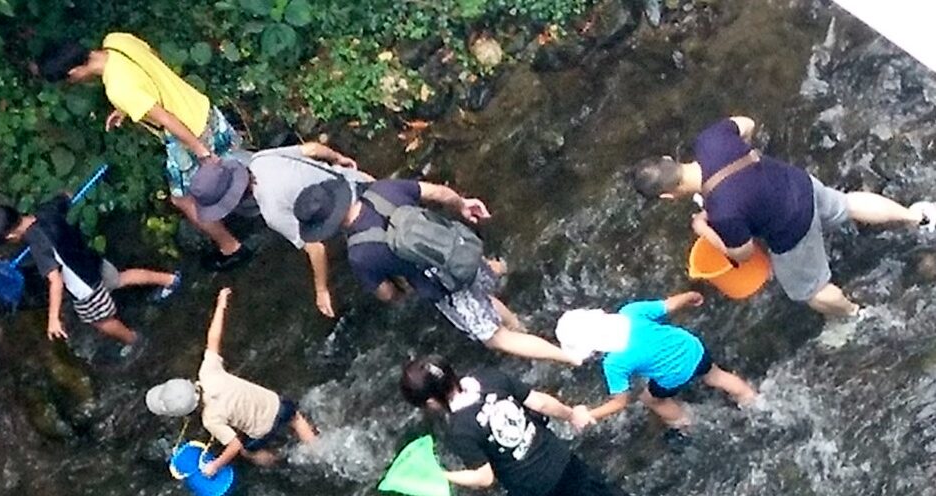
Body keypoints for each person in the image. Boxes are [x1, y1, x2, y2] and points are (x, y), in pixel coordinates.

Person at [631, 115, 936, 318]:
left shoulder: (721, 213)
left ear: (667, 196)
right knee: (847, 204)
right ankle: (917, 217)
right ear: (670, 159)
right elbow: (747, 123)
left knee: (810, 291)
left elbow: (745, 254)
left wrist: (704, 230)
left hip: (792, 230)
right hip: (798, 183)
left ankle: (856, 315)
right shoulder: (709, 139)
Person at [292, 176, 581, 366]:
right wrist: (463, 205)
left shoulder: (360, 254)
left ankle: (567, 356)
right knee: (487, 286)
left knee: (496, 338)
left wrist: (400, 291)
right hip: (461, 249)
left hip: (446, 286)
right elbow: (438, 193)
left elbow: (388, 294)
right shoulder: (383, 189)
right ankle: (520, 318)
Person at [400, 354, 641, 496]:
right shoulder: (488, 377)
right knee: (597, 488)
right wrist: (572, 414)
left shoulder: (459, 430)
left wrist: (442, 475)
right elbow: (542, 404)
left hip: (534, 489)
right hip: (562, 459)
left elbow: (484, 478)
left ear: (431, 402)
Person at [39, 33, 252, 270]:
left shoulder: (118, 88)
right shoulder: (116, 41)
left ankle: (231, 246)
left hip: (188, 134)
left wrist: (200, 151)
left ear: (72, 73)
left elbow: (166, 119)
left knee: (182, 199)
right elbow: (150, 65)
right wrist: (127, 108)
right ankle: (273, 196)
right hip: (199, 107)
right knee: (236, 164)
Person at [145, 287, 315, 476]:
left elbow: (234, 445)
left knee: (247, 451)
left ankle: (282, 464)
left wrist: (215, 466)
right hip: (275, 404)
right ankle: (316, 449)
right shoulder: (208, 371)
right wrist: (220, 306)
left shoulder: (210, 419)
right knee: (295, 418)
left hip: (263, 430)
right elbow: (213, 339)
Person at [186, 143, 369, 317]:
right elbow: (312, 149)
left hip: (356, 220)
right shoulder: (260, 159)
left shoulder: (272, 211)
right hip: (361, 182)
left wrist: (321, 290)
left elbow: (316, 248)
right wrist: (338, 158)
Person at [0, 198, 182, 355]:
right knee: (120, 278)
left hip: (84, 287)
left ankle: (135, 341)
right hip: (90, 261)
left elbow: (56, 281)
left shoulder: (38, 244)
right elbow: (66, 197)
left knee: (99, 320)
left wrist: (53, 318)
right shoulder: (45, 210)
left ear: (11, 236)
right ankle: (170, 280)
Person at [555, 292, 756, 438]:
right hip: (692, 347)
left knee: (650, 399)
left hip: (675, 376)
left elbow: (620, 401)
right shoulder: (631, 312)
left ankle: (686, 426)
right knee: (716, 375)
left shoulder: (614, 363)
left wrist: (590, 413)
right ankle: (752, 400)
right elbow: (669, 304)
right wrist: (690, 296)